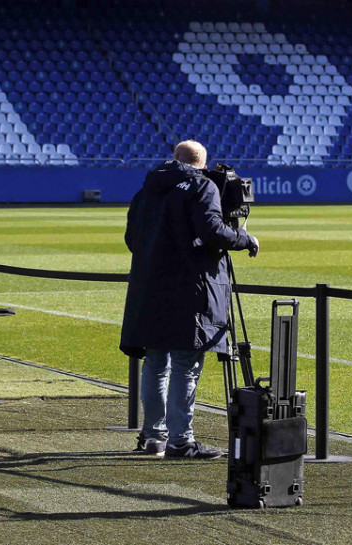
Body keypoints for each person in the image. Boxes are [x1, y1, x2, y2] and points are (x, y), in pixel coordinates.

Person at [120, 140, 259, 459]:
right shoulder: (203, 187)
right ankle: (181, 441)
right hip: (189, 289)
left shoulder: (145, 192)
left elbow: (132, 240)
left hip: (149, 288)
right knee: (185, 364)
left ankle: (154, 436)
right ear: (203, 163)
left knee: (155, 363)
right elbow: (212, 231)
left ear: (174, 159)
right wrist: (243, 238)